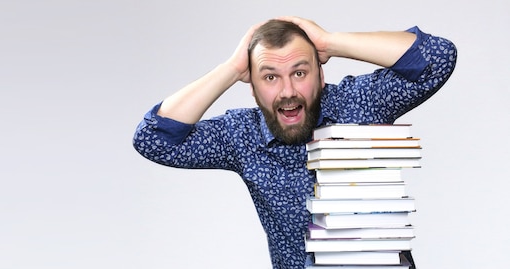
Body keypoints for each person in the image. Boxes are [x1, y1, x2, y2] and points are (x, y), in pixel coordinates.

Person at [132, 16, 457, 269]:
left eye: (300, 72)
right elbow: (153, 139)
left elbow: (438, 58)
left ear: (320, 73)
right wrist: (231, 68)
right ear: (253, 88)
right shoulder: (240, 136)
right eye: (270, 77)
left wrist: (329, 42)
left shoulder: (361, 103)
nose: (287, 91)